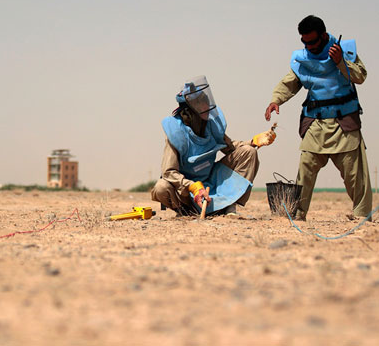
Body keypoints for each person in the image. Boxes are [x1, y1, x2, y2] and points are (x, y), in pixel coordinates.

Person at [265, 15, 372, 220]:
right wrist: (276, 100)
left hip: (344, 124)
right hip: (315, 123)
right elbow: (289, 83)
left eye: (313, 41)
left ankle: (362, 216)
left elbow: (360, 76)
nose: (309, 46)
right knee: (305, 171)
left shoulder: (345, 50)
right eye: (305, 42)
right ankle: (297, 214)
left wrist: (340, 61)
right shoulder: (302, 58)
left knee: (355, 175)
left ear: (323, 36)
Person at [152, 75, 275, 217]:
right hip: (186, 190)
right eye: (201, 104)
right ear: (189, 110)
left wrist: (253, 142)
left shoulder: (211, 124)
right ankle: (185, 211)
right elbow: (169, 172)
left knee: (248, 152)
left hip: (211, 180)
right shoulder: (176, 133)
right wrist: (192, 186)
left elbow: (230, 147)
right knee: (161, 187)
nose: (207, 107)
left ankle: (229, 206)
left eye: (206, 102)